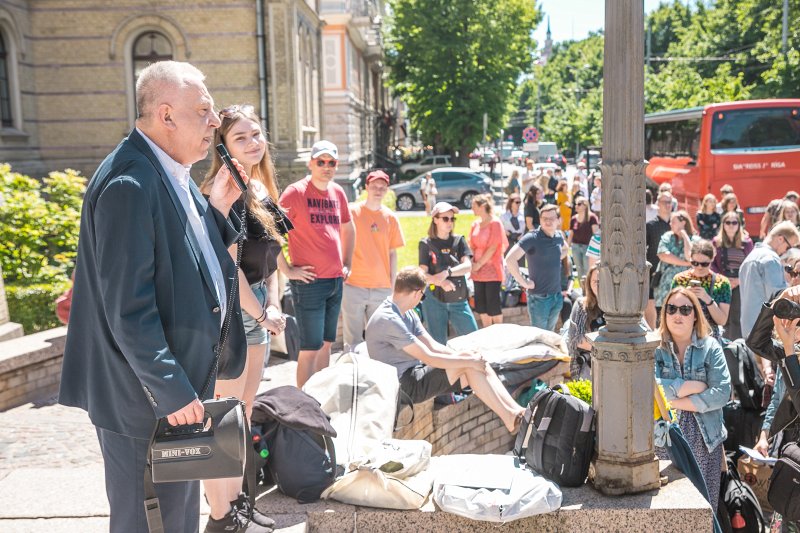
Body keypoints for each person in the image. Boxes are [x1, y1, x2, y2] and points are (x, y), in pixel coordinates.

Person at [58, 61, 254, 533]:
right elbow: (128, 309)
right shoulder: (130, 182)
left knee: (176, 519)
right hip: (146, 400)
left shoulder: (167, 168)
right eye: (204, 111)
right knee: (150, 522)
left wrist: (219, 210)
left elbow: (184, 255)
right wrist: (171, 388)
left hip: (173, 394)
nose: (214, 122)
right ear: (166, 115)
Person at [199, 104, 291, 531]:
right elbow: (227, 267)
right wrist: (262, 313)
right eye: (241, 138)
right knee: (223, 420)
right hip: (234, 314)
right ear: (222, 146)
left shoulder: (259, 190)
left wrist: (273, 305)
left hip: (259, 310)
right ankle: (222, 517)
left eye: (257, 134)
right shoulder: (226, 192)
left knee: (244, 414)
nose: (254, 143)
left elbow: (272, 261)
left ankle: (238, 505)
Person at [365, 266, 525, 432]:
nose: (421, 300)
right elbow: (428, 356)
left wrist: (467, 357)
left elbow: (433, 346)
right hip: (402, 385)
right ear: (416, 293)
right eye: (423, 296)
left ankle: (515, 412)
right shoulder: (388, 319)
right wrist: (467, 360)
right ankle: (511, 417)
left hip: (414, 373)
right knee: (469, 363)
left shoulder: (406, 312)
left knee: (473, 361)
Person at [279, 140, 356, 388]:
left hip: (335, 280)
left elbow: (348, 227)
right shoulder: (295, 192)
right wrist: (286, 269)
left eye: (331, 162)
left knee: (326, 345)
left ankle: (322, 399)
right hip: (309, 283)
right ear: (311, 163)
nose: (326, 166)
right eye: (321, 162)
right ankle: (304, 405)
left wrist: (347, 262)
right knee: (309, 348)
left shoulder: (338, 192)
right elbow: (270, 231)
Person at [654, 287, 731, 514]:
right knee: (667, 510)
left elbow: (722, 393)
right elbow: (649, 387)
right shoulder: (654, 348)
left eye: (685, 309)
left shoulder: (711, 348)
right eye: (672, 308)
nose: (678, 315)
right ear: (664, 313)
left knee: (702, 510)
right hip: (663, 438)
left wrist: (670, 399)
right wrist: (691, 387)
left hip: (704, 438)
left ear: (695, 315)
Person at [748, 281, 800, 533]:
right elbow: (756, 343)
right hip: (791, 457)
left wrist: (790, 351)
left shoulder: (792, 353)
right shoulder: (794, 352)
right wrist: (774, 305)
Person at [341, 170, 405, 349]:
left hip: (381, 288)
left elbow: (393, 253)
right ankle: (351, 373)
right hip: (353, 285)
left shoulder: (390, 218)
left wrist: (392, 286)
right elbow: (340, 243)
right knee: (352, 341)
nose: (378, 190)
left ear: (387, 190)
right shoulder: (352, 213)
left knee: (379, 340)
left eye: (382, 187)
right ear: (366, 187)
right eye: (374, 186)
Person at [739, 221, 799, 385]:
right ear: (780, 239)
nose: (786, 252)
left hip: (752, 331)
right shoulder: (770, 259)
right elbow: (780, 297)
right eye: (788, 247)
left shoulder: (749, 257)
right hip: (768, 333)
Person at [418, 202, 478, 344]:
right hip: (434, 299)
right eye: (445, 218)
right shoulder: (425, 244)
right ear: (435, 219)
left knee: (474, 339)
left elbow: (467, 266)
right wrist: (440, 282)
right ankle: (441, 367)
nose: (450, 222)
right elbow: (422, 275)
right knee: (438, 343)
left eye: (452, 219)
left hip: (458, 298)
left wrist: (447, 273)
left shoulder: (459, 241)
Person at [505, 204, 567, 331]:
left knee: (549, 334)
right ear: (540, 220)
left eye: (551, 218)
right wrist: (524, 282)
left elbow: (566, 249)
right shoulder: (532, 238)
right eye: (544, 218)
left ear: (559, 220)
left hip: (556, 295)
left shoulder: (559, 236)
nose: (548, 221)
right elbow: (510, 259)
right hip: (539, 298)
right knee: (539, 337)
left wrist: (555, 258)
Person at [671, 240, 731, 343]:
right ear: (690, 258)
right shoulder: (679, 279)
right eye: (694, 263)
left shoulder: (722, 282)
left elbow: (722, 320)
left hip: (710, 339)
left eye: (704, 264)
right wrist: (684, 297)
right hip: (684, 337)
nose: (699, 267)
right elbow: (671, 312)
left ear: (712, 259)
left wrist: (707, 299)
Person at [711, 211, 754, 340]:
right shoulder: (716, 242)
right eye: (727, 222)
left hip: (741, 282)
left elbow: (751, 263)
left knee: (738, 317)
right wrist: (723, 279)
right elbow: (712, 264)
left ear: (739, 225)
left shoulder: (747, 242)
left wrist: (739, 280)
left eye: (734, 222)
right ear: (723, 224)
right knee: (724, 317)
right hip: (722, 282)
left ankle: (736, 347)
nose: (731, 225)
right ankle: (723, 346)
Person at [469, 194, 508, 327]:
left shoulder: (495, 223)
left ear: (483, 206)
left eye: (474, 206)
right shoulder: (475, 224)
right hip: (477, 271)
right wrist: (473, 264)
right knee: (481, 305)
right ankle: (487, 332)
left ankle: (498, 333)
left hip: (492, 269)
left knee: (493, 305)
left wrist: (479, 264)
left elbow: (493, 247)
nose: (471, 209)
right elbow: (471, 246)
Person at [653, 210, 697, 311]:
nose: (670, 224)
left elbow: (689, 256)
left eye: (673, 221)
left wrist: (685, 236)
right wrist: (686, 263)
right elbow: (663, 254)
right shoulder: (667, 237)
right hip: (665, 288)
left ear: (683, 223)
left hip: (686, 287)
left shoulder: (694, 240)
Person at [565, 264, 602, 380]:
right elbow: (576, 339)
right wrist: (608, 347)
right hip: (587, 364)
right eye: (594, 281)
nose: (597, 285)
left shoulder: (621, 308)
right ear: (589, 284)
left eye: (601, 281)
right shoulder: (582, 305)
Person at [645, 192, 674, 327]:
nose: (668, 205)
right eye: (665, 202)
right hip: (654, 271)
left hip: (673, 271)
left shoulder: (677, 224)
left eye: (670, 202)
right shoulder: (650, 226)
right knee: (651, 303)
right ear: (658, 204)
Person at [568, 196, 599, 282]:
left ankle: (589, 291)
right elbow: (571, 234)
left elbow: (596, 234)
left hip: (588, 247)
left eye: (579, 204)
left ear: (585, 205)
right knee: (579, 270)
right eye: (575, 204)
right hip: (575, 247)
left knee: (587, 270)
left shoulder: (592, 218)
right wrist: (567, 247)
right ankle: (583, 291)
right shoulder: (574, 219)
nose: (576, 206)